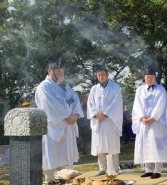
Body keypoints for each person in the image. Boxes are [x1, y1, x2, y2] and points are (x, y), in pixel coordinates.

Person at [35, 55, 84, 183]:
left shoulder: (65, 86)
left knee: (64, 158)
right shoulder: (43, 87)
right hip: (52, 128)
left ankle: (64, 178)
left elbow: (75, 100)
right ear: (50, 71)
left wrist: (75, 115)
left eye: (62, 70)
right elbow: (49, 104)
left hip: (68, 125)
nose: (62, 72)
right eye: (59, 70)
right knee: (51, 155)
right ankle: (50, 180)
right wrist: (67, 116)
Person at [132, 62, 167, 179]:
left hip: (156, 123)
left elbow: (162, 104)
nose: (149, 79)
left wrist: (153, 118)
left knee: (157, 145)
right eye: (147, 77)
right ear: (144, 78)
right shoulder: (140, 90)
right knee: (145, 145)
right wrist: (141, 117)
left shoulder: (161, 89)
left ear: (155, 77)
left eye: (151, 77)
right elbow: (136, 105)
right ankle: (148, 169)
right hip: (143, 122)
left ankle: (158, 169)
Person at [87, 62, 123, 176]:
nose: (101, 77)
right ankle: (102, 168)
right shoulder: (94, 89)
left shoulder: (115, 87)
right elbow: (90, 104)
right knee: (100, 145)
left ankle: (115, 168)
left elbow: (116, 103)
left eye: (103, 74)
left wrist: (106, 114)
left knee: (112, 145)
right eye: (98, 75)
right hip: (98, 121)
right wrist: (97, 115)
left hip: (110, 120)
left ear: (107, 74)